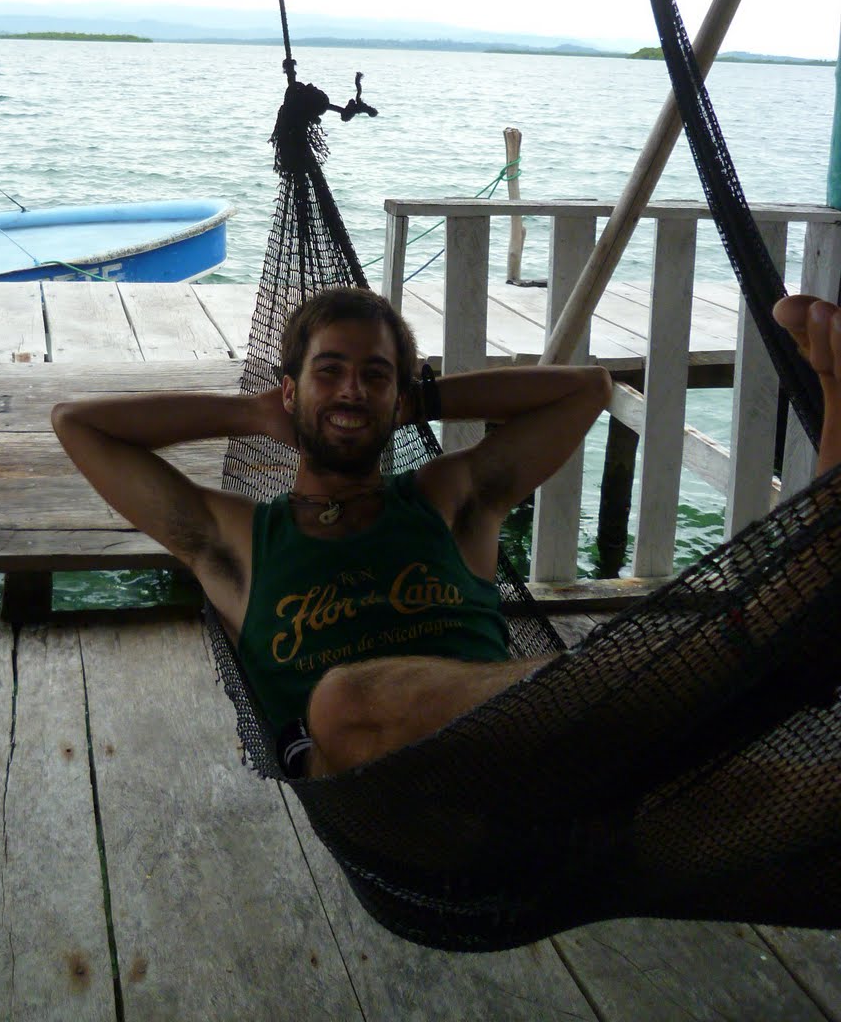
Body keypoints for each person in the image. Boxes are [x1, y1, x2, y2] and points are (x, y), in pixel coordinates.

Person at [53, 286, 841, 779]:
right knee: (345, 700)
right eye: (329, 371)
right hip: (391, 806)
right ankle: (747, 639)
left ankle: (834, 399)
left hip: (553, 768)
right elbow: (79, 425)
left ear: (399, 399)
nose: (352, 390)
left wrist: (423, 401)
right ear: (290, 391)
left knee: (808, 810)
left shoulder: (447, 500)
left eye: (375, 376)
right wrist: (250, 413)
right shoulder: (234, 539)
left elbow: (585, 390)